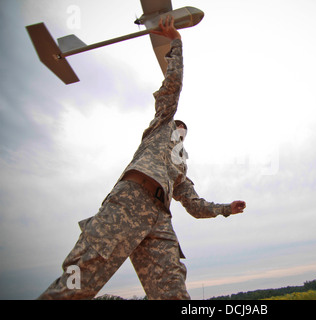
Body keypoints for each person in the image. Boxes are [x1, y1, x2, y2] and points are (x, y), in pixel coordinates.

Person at [37, 16, 246, 300]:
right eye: (178, 127)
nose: (180, 132)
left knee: (173, 291)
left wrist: (226, 209)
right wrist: (175, 44)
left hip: (159, 220)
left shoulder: (180, 166)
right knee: (78, 283)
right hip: (129, 201)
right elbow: (171, 89)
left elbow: (195, 205)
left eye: (184, 132)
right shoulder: (160, 125)